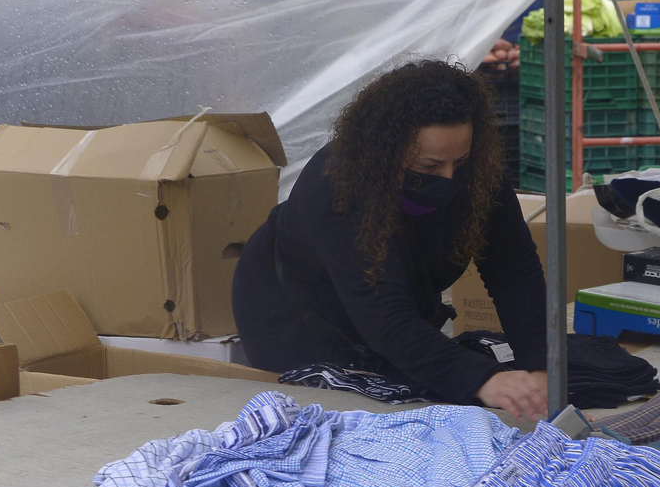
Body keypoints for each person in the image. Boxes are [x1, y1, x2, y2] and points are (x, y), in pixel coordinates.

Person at [232, 60, 549, 422]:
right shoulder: (335, 187)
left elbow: (514, 270)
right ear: (386, 152)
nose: (447, 178)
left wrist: (540, 364)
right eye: (429, 167)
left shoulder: (479, 175)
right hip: (293, 315)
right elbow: (385, 316)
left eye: (459, 161)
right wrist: (484, 379)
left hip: (391, 308)